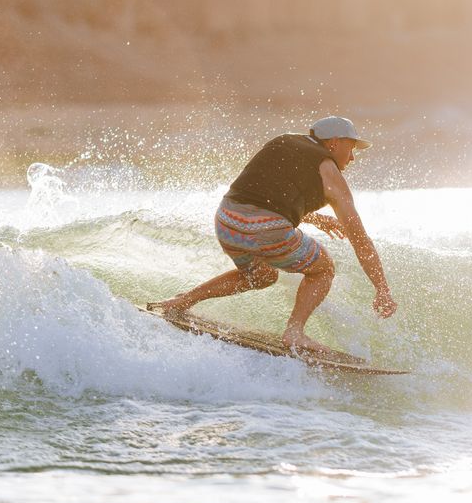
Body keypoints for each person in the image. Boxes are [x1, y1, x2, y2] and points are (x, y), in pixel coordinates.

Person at [151, 116, 396, 355]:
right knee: (323, 268)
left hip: (226, 221)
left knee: (262, 276)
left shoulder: (284, 141)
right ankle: (295, 331)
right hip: (266, 229)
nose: (352, 157)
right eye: (351, 148)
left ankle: (182, 300)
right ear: (333, 143)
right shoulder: (330, 172)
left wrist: (313, 218)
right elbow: (360, 240)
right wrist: (382, 289)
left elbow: (263, 192)